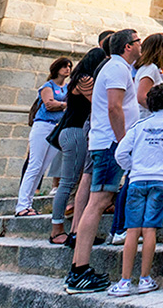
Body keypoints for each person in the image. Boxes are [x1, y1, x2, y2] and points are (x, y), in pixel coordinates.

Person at [64, 29, 141, 294]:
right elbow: (114, 107)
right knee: (97, 204)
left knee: (97, 203)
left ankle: (78, 267)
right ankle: (80, 270)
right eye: (138, 41)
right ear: (128, 47)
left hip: (104, 142)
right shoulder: (117, 68)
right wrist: (123, 142)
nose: (141, 44)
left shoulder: (113, 67)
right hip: (110, 143)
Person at [109, 83, 163, 297]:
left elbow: (121, 153)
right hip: (159, 181)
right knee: (150, 230)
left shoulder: (139, 125)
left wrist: (132, 167)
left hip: (137, 180)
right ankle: (145, 278)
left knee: (132, 230)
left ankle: (124, 281)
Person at [49, 45, 106, 246]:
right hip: (75, 132)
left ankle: (77, 230)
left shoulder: (79, 78)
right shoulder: (85, 80)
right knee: (68, 182)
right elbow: (98, 103)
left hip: (74, 132)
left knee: (76, 181)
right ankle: (57, 230)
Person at [15, 56, 71, 216]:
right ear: (57, 69)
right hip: (43, 125)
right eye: (64, 66)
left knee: (42, 167)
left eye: (69, 66)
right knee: (34, 165)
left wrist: (60, 105)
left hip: (56, 127)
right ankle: (21, 205)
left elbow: (57, 104)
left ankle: (28, 203)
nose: (67, 69)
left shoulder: (66, 88)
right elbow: (49, 104)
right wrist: (65, 105)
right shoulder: (48, 86)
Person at [135, 34, 163, 119]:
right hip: (146, 117)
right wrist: (159, 114)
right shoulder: (150, 68)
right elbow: (141, 97)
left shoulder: (153, 68)